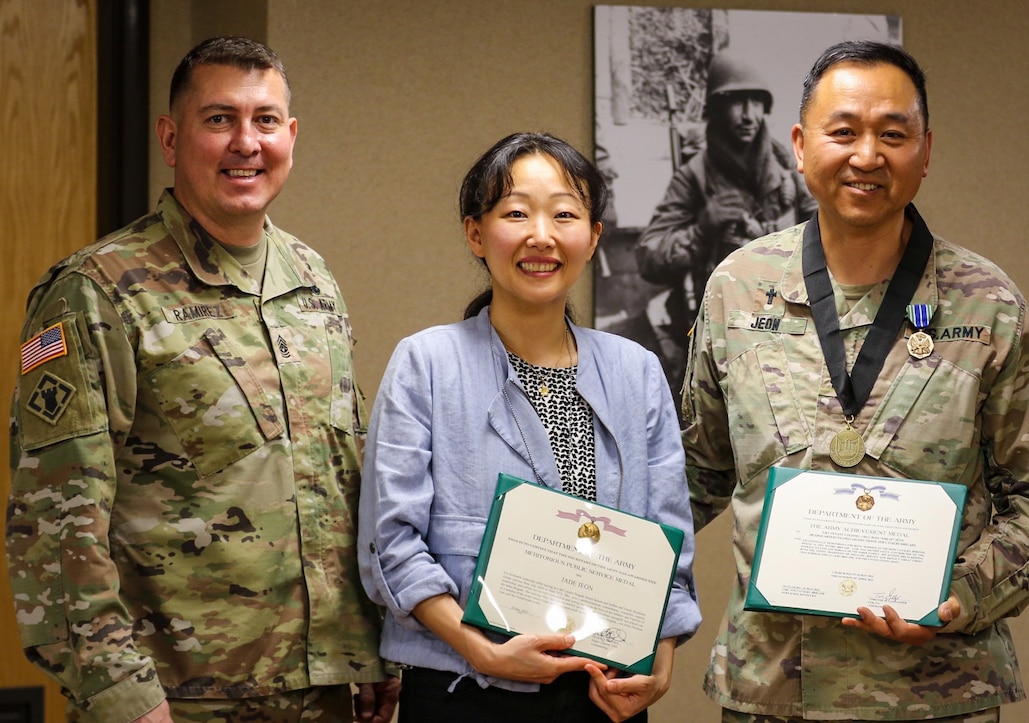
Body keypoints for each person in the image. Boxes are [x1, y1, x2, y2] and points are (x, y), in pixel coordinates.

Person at [682, 40, 1029, 723]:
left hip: (940, 697)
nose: (867, 156)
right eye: (844, 132)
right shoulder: (738, 291)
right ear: (803, 145)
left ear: (925, 152)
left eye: (892, 135)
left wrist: (962, 594)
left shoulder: (987, 305)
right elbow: (689, 477)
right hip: (773, 697)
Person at [6, 37, 399, 723]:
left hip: (325, 695)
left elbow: (341, 477)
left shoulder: (311, 279)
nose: (246, 142)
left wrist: (370, 645)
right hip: (177, 703)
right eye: (219, 119)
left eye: (265, 120)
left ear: (291, 135)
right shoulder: (98, 291)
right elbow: (55, 527)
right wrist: (123, 698)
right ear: (170, 136)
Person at [358, 132, 701, 722]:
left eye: (564, 214)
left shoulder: (636, 371)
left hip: (602, 694)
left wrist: (661, 663)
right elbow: (391, 545)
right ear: (475, 232)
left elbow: (668, 539)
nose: (541, 236)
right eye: (516, 213)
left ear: (593, 237)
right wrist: (482, 652)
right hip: (461, 689)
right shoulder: (427, 363)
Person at [636, 49, 816, 402]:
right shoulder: (694, 176)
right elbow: (648, 256)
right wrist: (702, 229)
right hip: (719, 337)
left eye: (755, 102)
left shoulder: (788, 168)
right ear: (717, 109)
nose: (748, 115)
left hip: (790, 331)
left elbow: (830, 233)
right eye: (737, 102)